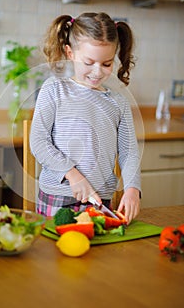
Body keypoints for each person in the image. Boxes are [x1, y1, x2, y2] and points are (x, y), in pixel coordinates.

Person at [30, 12, 141, 224]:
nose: (97, 72)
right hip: (58, 196)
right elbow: (38, 142)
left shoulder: (118, 102)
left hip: (100, 201)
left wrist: (132, 188)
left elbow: (129, 152)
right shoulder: (54, 89)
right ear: (70, 53)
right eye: (89, 62)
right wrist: (73, 175)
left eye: (107, 64)